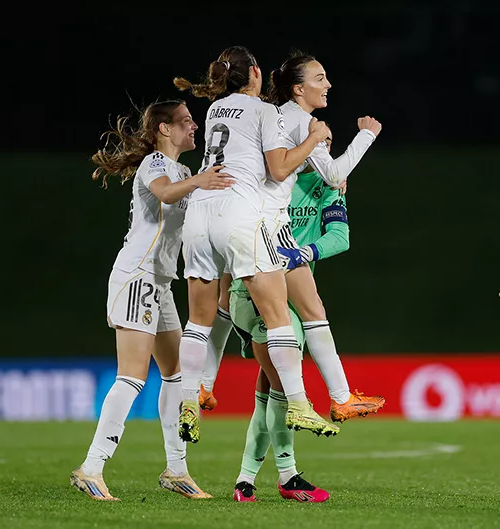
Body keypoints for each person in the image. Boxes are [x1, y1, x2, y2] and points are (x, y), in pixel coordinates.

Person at [200, 51, 385, 424]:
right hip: (267, 227)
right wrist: (366, 136)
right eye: (320, 78)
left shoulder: (263, 111)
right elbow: (333, 175)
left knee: (224, 302)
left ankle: (203, 385)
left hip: (229, 213)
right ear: (299, 89)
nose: (328, 84)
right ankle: (334, 399)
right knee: (306, 316)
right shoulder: (301, 122)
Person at [172, 46, 338, 443]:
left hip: (199, 213)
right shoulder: (265, 111)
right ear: (257, 73)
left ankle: (189, 401)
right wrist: (314, 137)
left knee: (199, 318)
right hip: (239, 213)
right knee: (278, 314)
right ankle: (299, 404)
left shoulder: (214, 111)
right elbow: (279, 167)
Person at [70, 100, 233, 501]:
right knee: (132, 376)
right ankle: (92, 467)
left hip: (160, 282)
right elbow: (164, 194)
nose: (195, 126)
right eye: (186, 121)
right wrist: (199, 183)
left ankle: (176, 469)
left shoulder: (183, 171)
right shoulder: (156, 165)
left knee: (176, 373)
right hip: (137, 276)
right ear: (163, 129)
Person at [230, 131, 349, 503]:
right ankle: (287, 476)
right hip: (257, 292)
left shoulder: (329, 189)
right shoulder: (273, 180)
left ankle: (247, 480)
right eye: (317, 139)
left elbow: (341, 237)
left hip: (291, 296)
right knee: (282, 387)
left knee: (270, 389)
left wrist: (304, 252)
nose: (324, 148)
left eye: (329, 141)